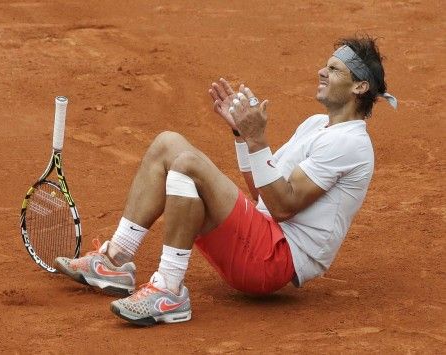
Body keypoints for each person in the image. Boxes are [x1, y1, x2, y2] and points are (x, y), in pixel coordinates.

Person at [54, 34, 397, 326]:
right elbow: (264, 193)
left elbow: (283, 206)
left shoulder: (350, 143)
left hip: (275, 260)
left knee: (187, 163)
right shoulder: (315, 125)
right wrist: (242, 135)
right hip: (262, 238)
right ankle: (115, 258)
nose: (322, 71)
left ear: (359, 86)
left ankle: (168, 289)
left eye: (334, 68)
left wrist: (259, 141)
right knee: (167, 144)